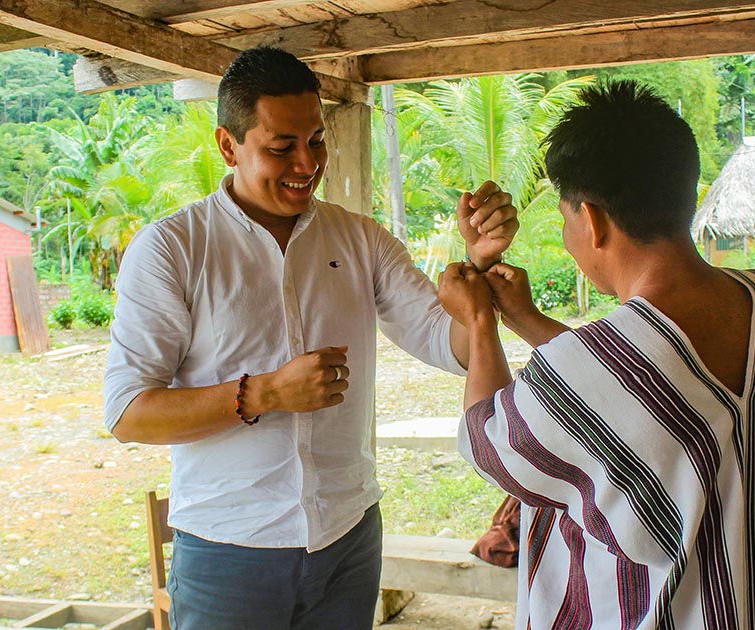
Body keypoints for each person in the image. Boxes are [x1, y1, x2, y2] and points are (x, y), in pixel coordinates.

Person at [102, 46, 518, 629]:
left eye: (317, 140)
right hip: (229, 550)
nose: (306, 163)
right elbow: (127, 413)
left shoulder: (359, 240)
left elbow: (449, 342)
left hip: (347, 537)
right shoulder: (173, 249)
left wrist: (476, 263)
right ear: (228, 145)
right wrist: (265, 393)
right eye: (281, 147)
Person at [436, 80, 755, 629]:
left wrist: (479, 322)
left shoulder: (596, 364)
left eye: (567, 221)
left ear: (591, 220)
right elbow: (634, 388)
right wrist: (527, 320)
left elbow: (486, 439)